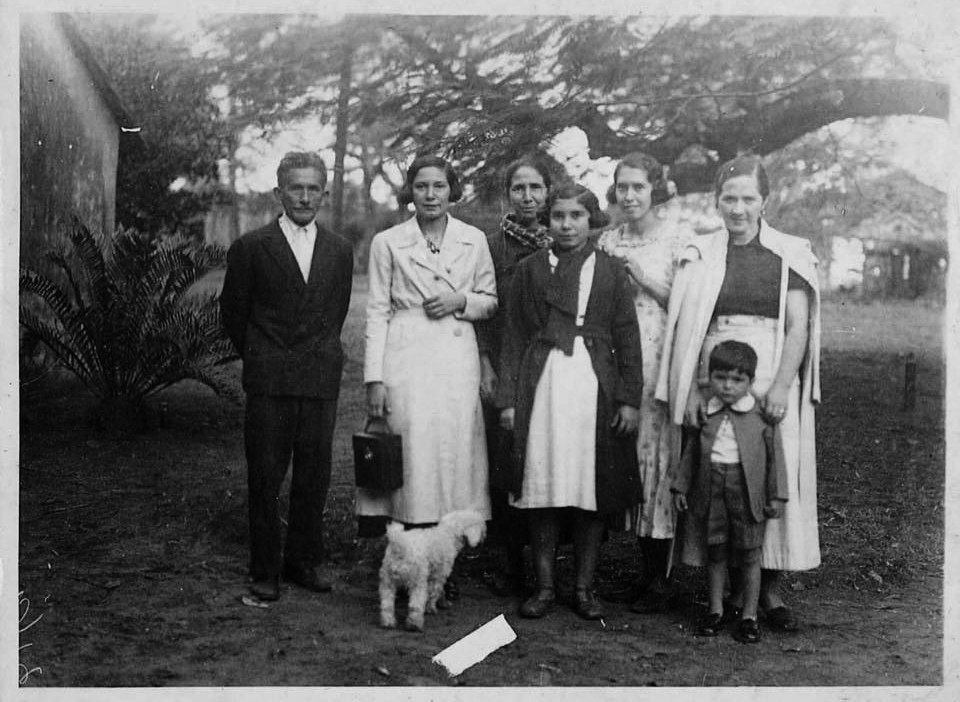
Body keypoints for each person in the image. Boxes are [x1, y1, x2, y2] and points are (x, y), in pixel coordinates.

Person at [657, 154, 821, 632]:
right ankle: (720, 591)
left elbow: (797, 327)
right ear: (716, 201)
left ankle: (767, 589)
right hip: (715, 370)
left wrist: (780, 385)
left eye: (748, 198)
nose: (738, 208)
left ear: (764, 201)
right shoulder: (702, 252)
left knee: (766, 471)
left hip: (769, 369)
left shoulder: (788, 253)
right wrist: (689, 389)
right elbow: (688, 329)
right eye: (729, 198)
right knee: (716, 474)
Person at [497, 183, 642, 620]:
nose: (566, 224)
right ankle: (544, 586)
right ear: (547, 220)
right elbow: (514, 336)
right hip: (543, 383)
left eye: (576, 216)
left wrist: (628, 399)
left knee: (588, 484)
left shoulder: (611, 272)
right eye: (558, 216)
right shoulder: (529, 270)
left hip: (592, 384)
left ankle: (583, 586)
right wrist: (509, 400)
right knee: (542, 481)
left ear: (591, 220)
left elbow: (628, 338)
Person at [220, 152, 354, 601]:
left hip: (319, 378)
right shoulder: (251, 247)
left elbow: (335, 312)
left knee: (314, 475)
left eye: (313, 188)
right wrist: (264, 357)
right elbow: (234, 316)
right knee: (265, 475)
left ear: (324, 193)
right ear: (279, 193)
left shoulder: (339, 249)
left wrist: (317, 353)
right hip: (270, 381)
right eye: (295, 187)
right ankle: (265, 568)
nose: (304, 196)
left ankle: (304, 560)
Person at [358, 156, 496, 566]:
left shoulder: (474, 239)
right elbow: (377, 311)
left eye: (439, 186)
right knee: (414, 450)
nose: (431, 195)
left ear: (452, 191)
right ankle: (411, 548)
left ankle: (448, 556)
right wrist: (374, 380)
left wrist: (461, 301)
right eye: (422, 187)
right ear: (410, 192)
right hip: (407, 355)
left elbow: (490, 301)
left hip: (456, 355)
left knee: (455, 451)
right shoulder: (388, 242)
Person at [596, 152, 696, 613]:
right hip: (615, 359)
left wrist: (640, 276)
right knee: (623, 454)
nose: (629, 195)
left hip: (660, 359)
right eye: (622, 187)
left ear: (656, 189)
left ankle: (659, 577)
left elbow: (694, 304)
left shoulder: (678, 240)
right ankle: (629, 568)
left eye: (638, 186)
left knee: (656, 456)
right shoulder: (607, 239)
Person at [672, 340, 787, 644]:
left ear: (751, 381)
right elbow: (692, 452)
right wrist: (681, 487)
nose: (727, 386)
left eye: (737, 380)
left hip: (747, 493)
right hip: (713, 490)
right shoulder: (706, 412)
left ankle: (749, 616)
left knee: (750, 555)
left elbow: (775, 459)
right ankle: (715, 610)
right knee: (716, 551)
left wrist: (777, 496)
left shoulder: (760, 415)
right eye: (720, 377)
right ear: (710, 377)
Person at [477, 156, 554, 597]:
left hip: (549, 363)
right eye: (519, 189)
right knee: (505, 460)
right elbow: (486, 312)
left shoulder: (560, 240)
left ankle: (546, 562)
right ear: (508, 195)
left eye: (536, 188)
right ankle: (511, 563)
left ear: (547, 192)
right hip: (507, 362)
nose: (527, 197)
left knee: (545, 460)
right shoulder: (492, 246)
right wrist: (486, 361)